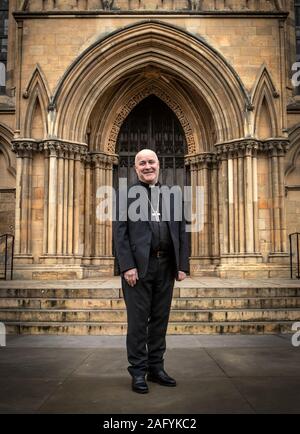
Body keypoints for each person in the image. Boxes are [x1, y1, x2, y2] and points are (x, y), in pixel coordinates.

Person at [113, 149, 189, 394]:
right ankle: (138, 371)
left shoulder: (172, 194)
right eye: (142, 163)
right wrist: (127, 266)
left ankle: (156, 368)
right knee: (137, 323)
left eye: (151, 162)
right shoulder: (125, 195)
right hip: (139, 269)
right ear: (136, 168)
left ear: (159, 165)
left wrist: (182, 265)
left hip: (166, 267)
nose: (147, 166)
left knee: (159, 321)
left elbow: (181, 232)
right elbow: (120, 233)